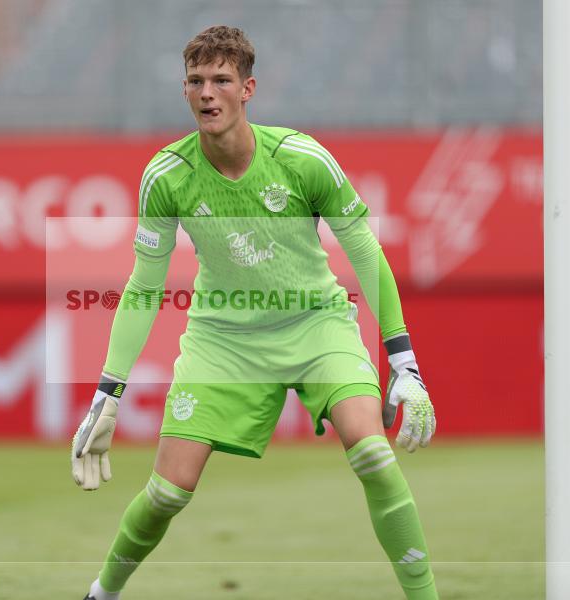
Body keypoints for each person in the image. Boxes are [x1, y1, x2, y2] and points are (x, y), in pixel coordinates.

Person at [72, 25, 438, 600]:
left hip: (316, 324)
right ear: (184, 90)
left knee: (372, 452)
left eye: (221, 80)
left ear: (248, 89)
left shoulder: (301, 159)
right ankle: (103, 592)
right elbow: (143, 287)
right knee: (168, 493)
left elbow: (366, 253)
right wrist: (108, 391)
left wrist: (404, 362)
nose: (207, 93)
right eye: (195, 81)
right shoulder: (165, 176)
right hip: (223, 338)